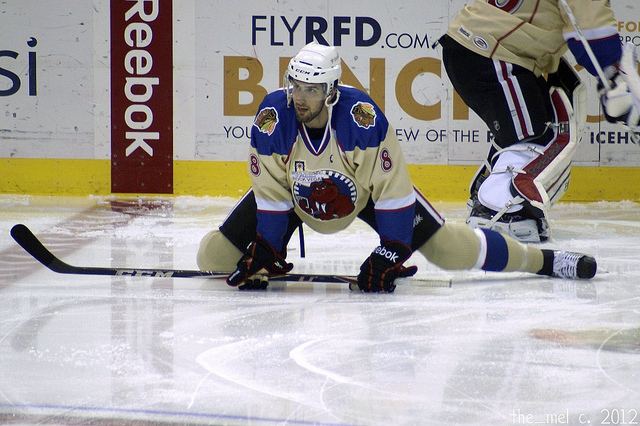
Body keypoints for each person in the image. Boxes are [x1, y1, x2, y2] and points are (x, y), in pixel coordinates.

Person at [197, 41, 597, 293]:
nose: (300, 98)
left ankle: (543, 261)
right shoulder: (273, 117)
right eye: (295, 86)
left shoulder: (361, 120)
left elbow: (391, 191)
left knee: (447, 249)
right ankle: (275, 259)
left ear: (331, 91)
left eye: (312, 90)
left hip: (364, 193)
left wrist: (392, 251)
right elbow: (269, 189)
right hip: (296, 197)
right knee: (211, 258)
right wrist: (266, 245)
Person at [439, 0, 640, 243]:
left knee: (538, 129)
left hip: (485, 49)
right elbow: (589, 30)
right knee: (535, 139)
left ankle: (493, 199)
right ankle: (498, 211)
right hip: (492, 54)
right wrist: (615, 75)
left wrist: (614, 77)